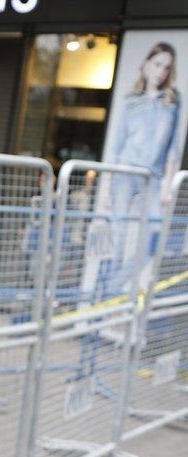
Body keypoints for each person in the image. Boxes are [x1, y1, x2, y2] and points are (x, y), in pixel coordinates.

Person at [105, 42, 183, 295]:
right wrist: (107, 185)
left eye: (166, 67)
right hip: (125, 173)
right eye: (158, 64)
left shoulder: (173, 101)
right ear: (147, 64)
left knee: (153, 240)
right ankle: (103, 298)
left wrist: (168, 184)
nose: (161, 71)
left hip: (153, 176)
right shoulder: (131, 100)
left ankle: (110, 291)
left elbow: (173, 148)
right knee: (116, 239)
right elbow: (117, 145)